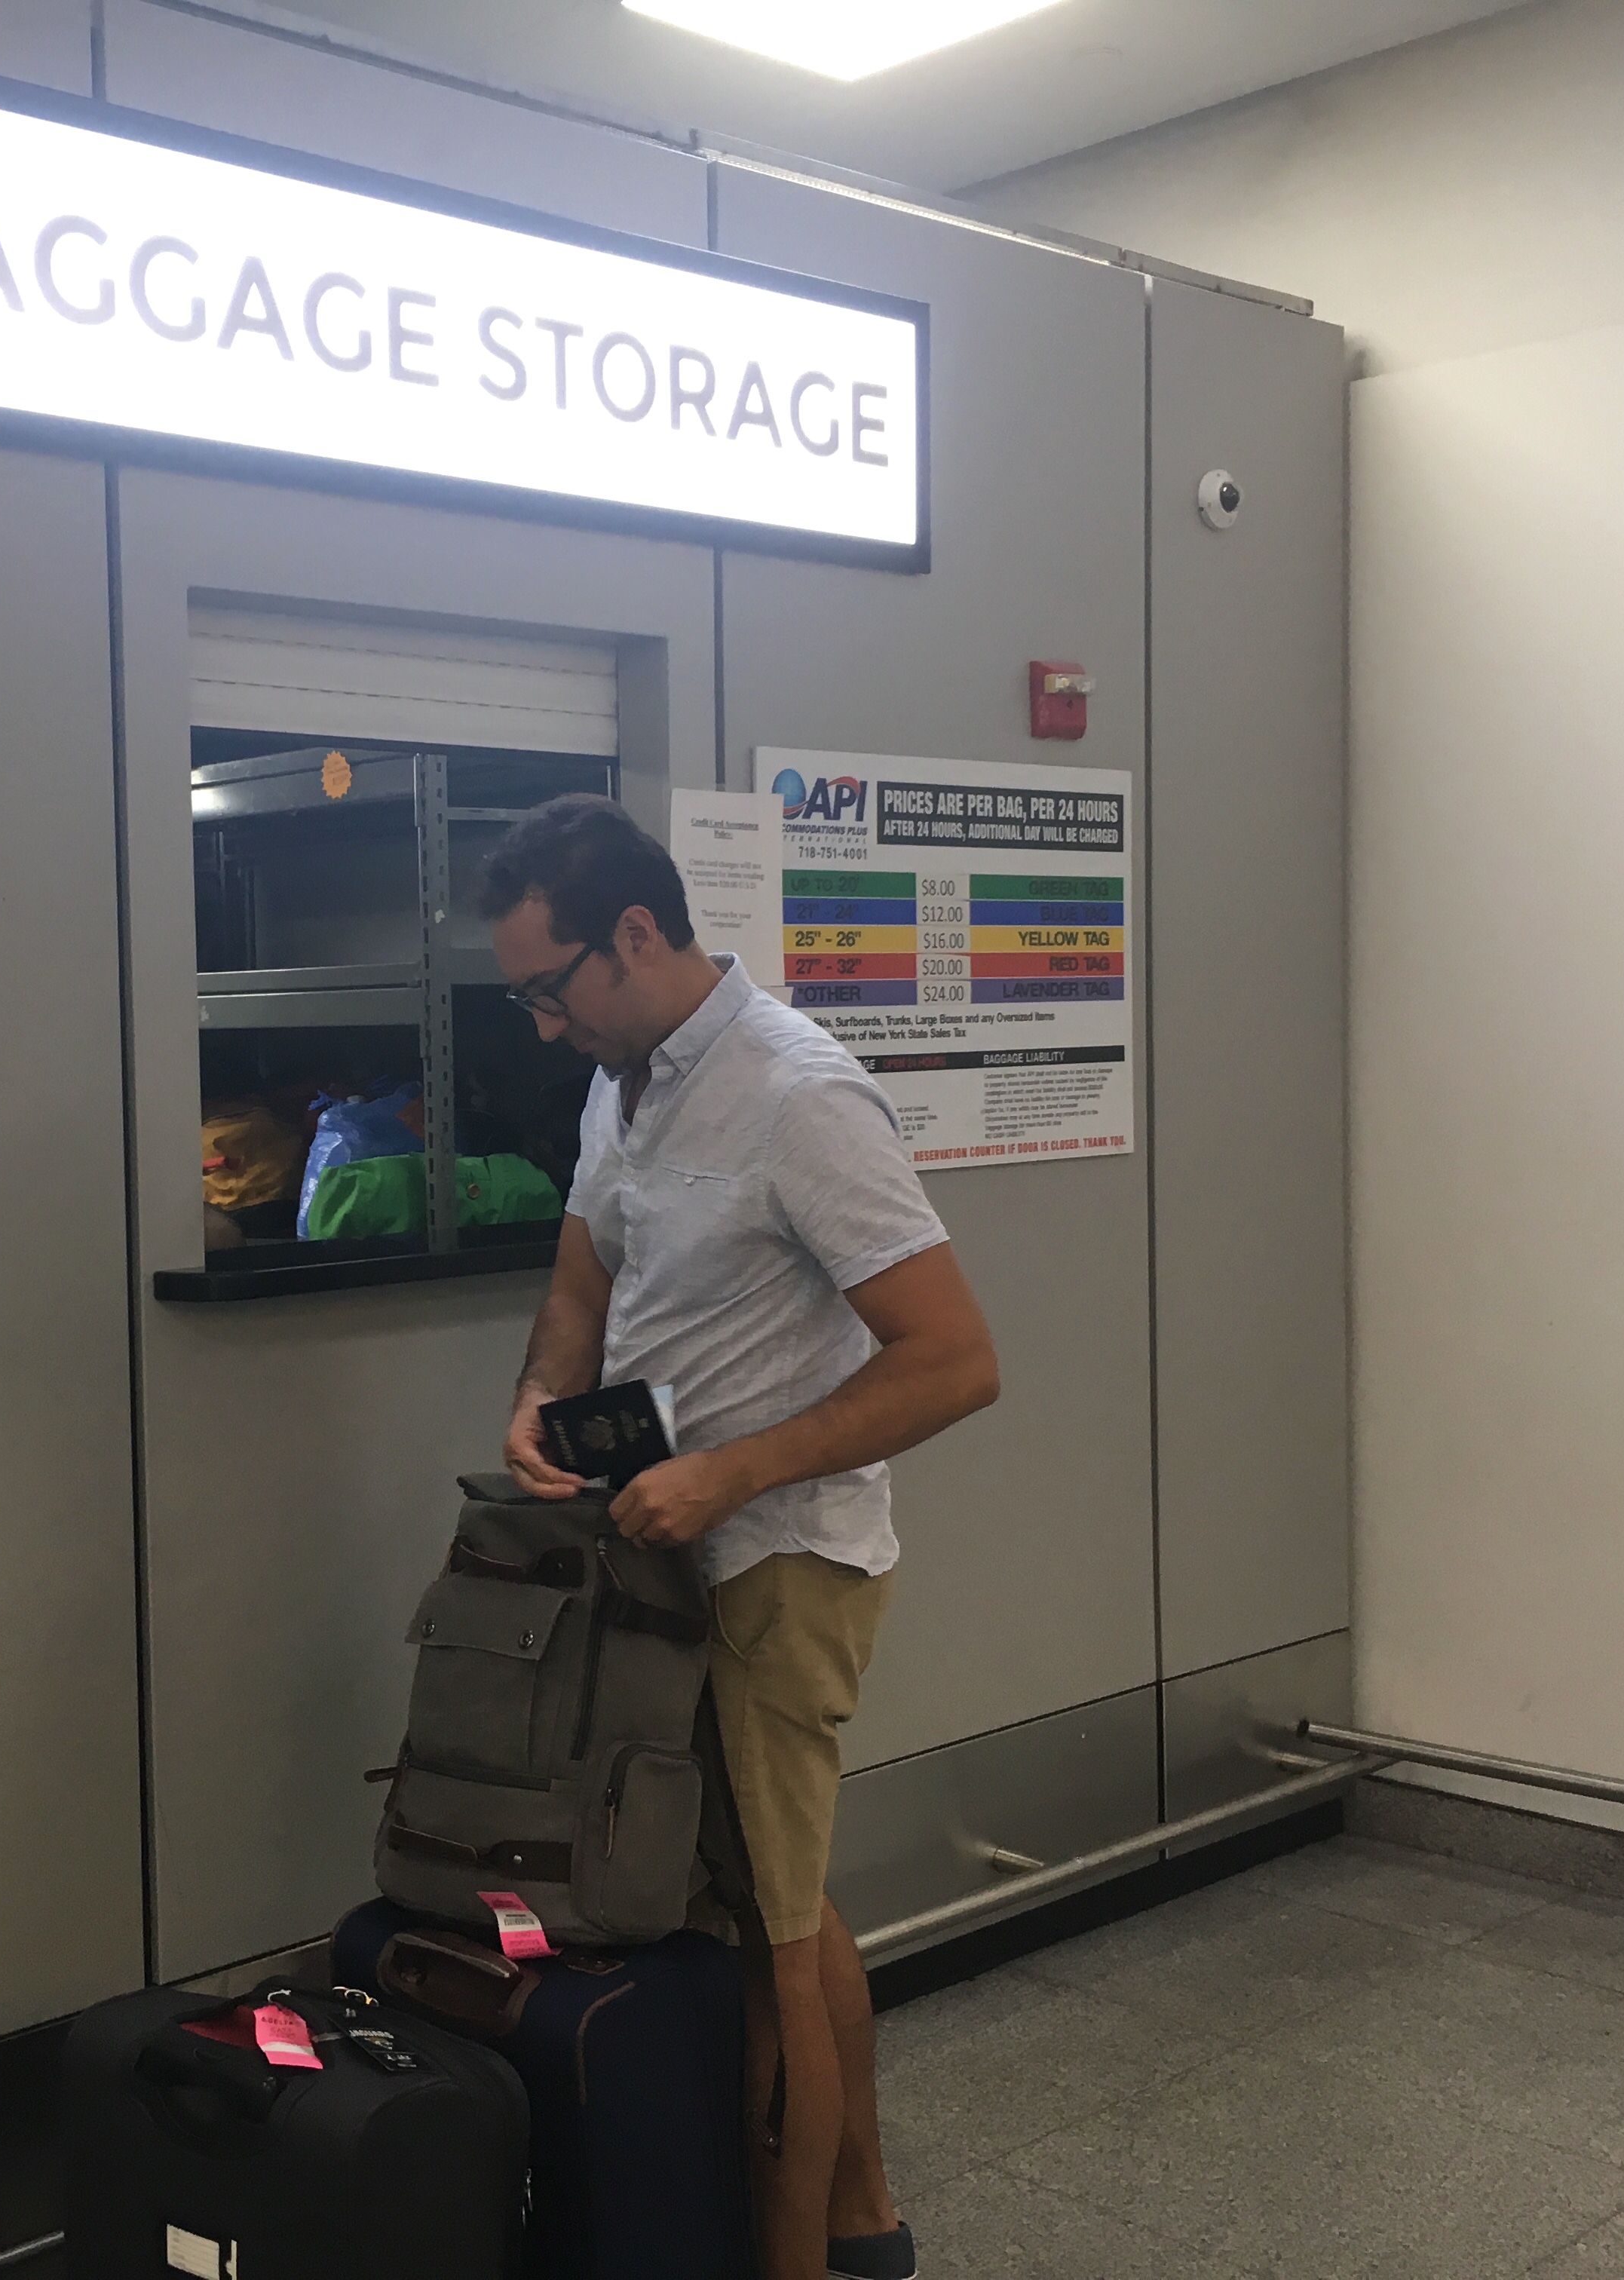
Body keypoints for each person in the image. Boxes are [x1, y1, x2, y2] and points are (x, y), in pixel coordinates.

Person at [479, 794, 1000, 2280]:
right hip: (655, 1559)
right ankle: (862, 2229)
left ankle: (813, 2255)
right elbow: (585, 1279)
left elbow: (955, 1361)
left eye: (544, 986)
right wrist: (539, 1400)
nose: (534, 1024)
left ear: (634, 935)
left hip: (780, 1562)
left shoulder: (799, 1096)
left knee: (767, 1949)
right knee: (775, 1900)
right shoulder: (622, 1080)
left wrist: (729, 1475)